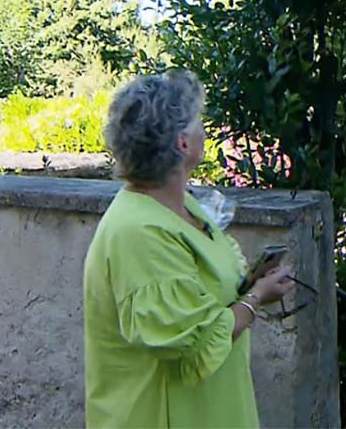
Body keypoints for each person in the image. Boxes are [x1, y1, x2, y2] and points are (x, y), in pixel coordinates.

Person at [83, 69, 295, 428]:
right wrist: (255, 299)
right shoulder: (138, 232)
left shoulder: (184, 208)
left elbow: (201, 299)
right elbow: (193, 345)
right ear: (182, 142)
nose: (204, 130)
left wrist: (248, 285)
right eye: (198, 121)